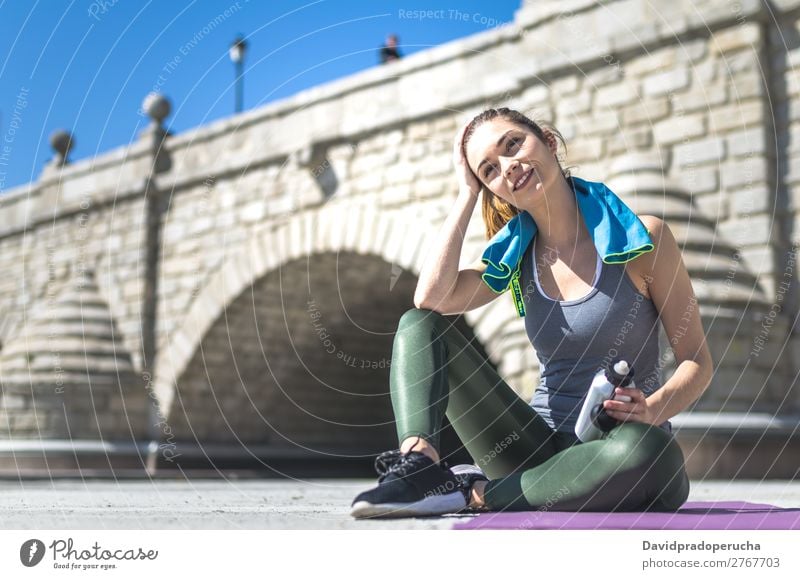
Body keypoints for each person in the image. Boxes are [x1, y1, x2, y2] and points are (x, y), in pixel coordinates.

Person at [350, 107, 713, 518]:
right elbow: (431, 300)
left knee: (648, 451)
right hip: (531, 451)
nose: (508, 167)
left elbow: (697, 360)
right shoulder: (517, 257)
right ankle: (420, 466)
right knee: (419, 324)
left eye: (512, 144)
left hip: (622, 448)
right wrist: (467, 195)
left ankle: (475, 493)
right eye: (489, 170)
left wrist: (654, 408)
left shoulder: (642, 238)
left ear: (548, 140)